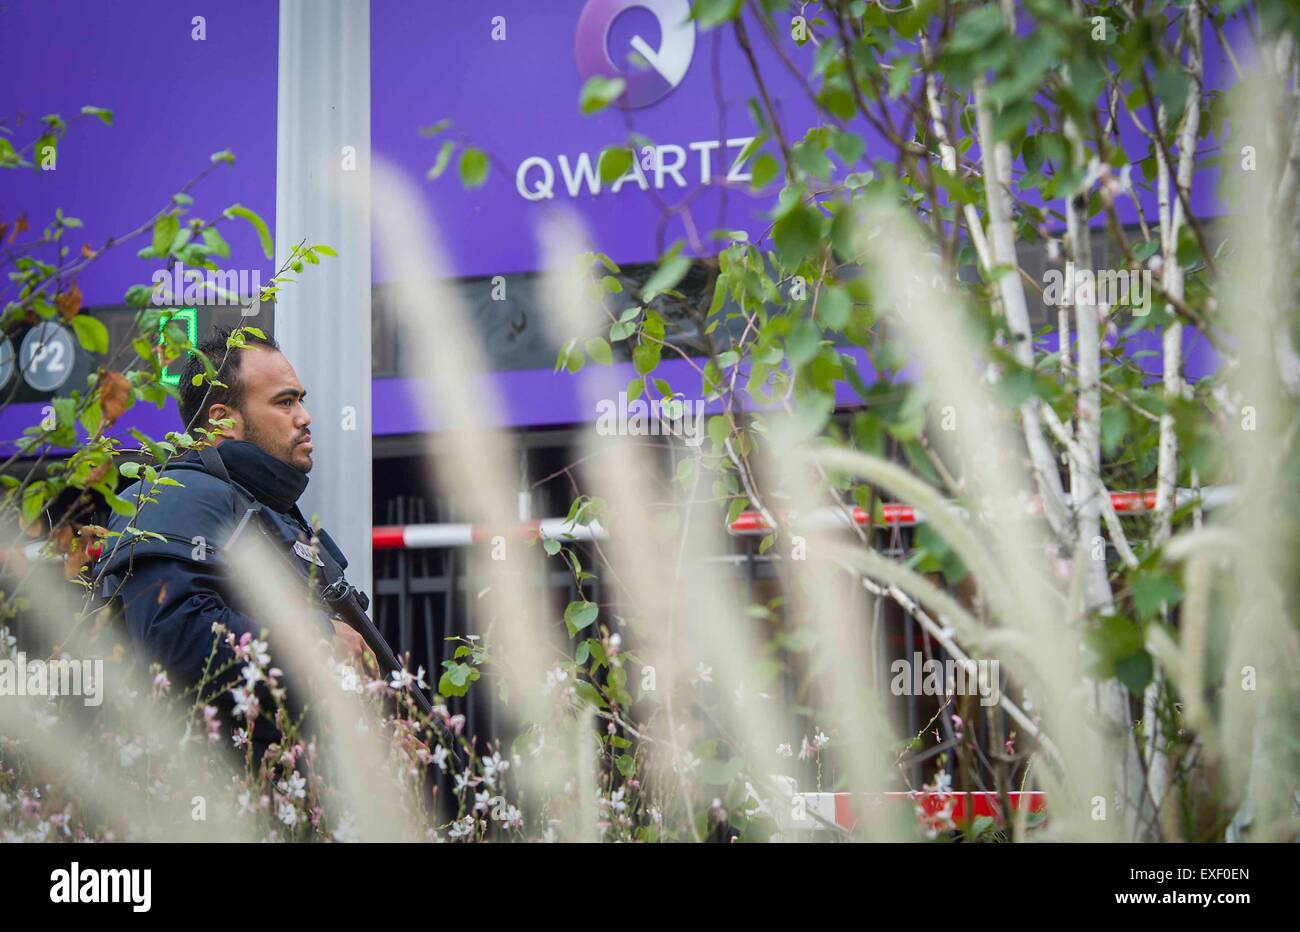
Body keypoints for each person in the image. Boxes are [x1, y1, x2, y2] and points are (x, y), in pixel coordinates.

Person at [93, 327, 370, 764]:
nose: (305, 417)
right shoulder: (171, 494)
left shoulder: (260, 510)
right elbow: (174, 636)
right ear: (222, 419)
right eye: (284, 402)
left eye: (301, 399)